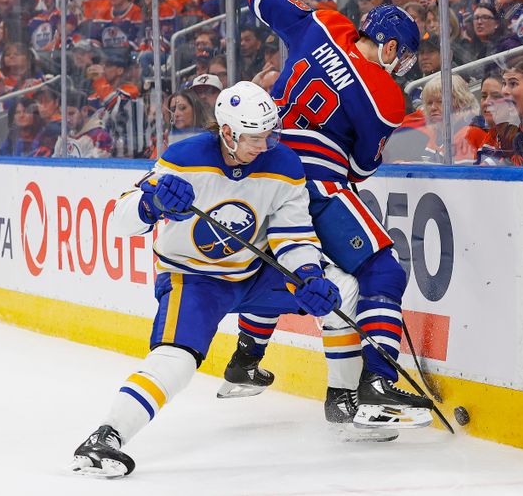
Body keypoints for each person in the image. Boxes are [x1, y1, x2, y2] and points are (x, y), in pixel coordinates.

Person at [70, 82, 344, 478]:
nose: (267, 144)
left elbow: (293, 234)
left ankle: (347, 400)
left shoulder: (283, 163)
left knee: (342, 292)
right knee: (177, 360)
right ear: (228, 132)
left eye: (272, 133)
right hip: (193, 278)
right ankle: (106, 437)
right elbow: (120, 217)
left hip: (254, 273)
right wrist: (153, 203)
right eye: (256, 136)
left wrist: (307, 274)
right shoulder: (183, 157)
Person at [226, 0, 434, 430]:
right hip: (314, 184)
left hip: (257, 175)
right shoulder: (385, 96)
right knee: (383, 272)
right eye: (403, 57)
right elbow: (359, 169)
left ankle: (247, 358)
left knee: (279, 269)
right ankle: (376, 383)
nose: (401, 68)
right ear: (390, 46)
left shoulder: (323, 23)